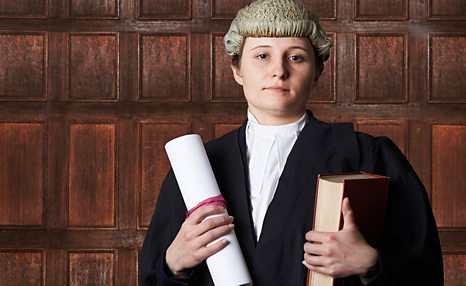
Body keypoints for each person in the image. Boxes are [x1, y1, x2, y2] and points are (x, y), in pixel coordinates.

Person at [139, 0, 444, 285]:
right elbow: (152, 276)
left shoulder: (369, 156)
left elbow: (426, 272)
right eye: (262, 55)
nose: (279, 70)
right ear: (237, 70)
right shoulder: (197, 168)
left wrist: (372, 264)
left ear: (317, 72)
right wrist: (173, 264)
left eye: (296, 57)